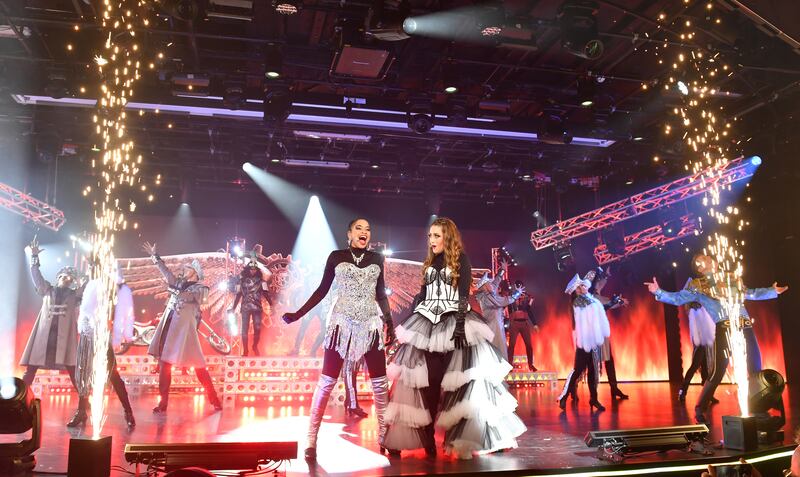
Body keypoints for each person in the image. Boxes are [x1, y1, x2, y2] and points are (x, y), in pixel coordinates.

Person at [383, 217, 525, 459]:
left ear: (447, 237)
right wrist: (414, 311)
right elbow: (424, 294)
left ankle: (472, 438)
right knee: (426, 385)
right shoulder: (429, 263)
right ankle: (426, 438)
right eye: (430, 236)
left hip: (456, 325)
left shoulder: (461, 260)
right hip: (428, 326)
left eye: (437, 235)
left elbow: (461, 296)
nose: (432, 240)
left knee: (460, 387)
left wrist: (459, 327)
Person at [282, 218, 395, 462]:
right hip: (341, 324)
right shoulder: (336, 256)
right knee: (326, 381)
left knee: (379, 383)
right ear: (349, 234)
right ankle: (311, 440)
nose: (364, 232)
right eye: (359, 228)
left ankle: (386, 436)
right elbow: (322, 290)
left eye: (368, 229)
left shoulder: (377, 258)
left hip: (370, 325)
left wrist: (390, 322)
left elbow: (381, 293)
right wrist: (298, 313)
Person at [644, 253, 788, 423]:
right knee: (719, 370)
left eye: (707, 257)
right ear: (699, 268)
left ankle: (758, 406)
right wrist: (658, 291)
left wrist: (772, 291)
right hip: (725, 327)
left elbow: (751, 293)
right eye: (701, 260)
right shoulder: (697, 286)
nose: (706, 260)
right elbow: (678, 299)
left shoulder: (731, 278)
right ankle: (700, 408)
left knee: (755, 368)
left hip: (745, 326)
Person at [143, 242, 222, 414]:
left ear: (194, 272)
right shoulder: (177, 283)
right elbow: (167, 274)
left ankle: (214, 398)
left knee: (199, 367)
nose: (184, 270)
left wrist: (176, 292)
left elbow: (196, 298)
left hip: (185, 335)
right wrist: (155, 258)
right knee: (165, 366)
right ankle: (163, 403)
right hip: (169, 328)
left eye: (187, 268)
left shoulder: (201, 288)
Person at [68, 265, 135, 429]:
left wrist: (124, 335)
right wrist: (83, 328)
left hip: (103, 337)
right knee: (84, 374)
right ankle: (81, 411)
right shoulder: (92, 285)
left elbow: (125, 313)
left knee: (113, 376)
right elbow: (84, 309)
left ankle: (128, 411)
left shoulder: (120, 289)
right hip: (87, 335)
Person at [19, 237, 84, 390]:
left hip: (64, 338)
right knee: (31, 369)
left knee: (72, 369)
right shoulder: (47, 290)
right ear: (58, 278)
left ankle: (84, 401)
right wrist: (34, 257)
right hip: (44, 336)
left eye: (69, 279)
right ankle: (20, 395)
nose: (66, 280)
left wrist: (95, 266)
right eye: (64, 277)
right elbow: (36, 276)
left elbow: (88, 286)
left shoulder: (74, 295)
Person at [557, 272, 610, 412]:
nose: (585, 287)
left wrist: (612, 302)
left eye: (584, 285)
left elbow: (599, 311)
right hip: (584, 343)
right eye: (581, 286)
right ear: (577, 290)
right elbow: (591, 312)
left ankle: (594, 399)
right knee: (577, 371)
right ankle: (564, 396)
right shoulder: (578, 302)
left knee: (593, 373)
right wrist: (588, 278)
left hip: (594, 343)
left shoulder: (590, 299)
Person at [587, 267, 629, 401]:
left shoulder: (598, 296)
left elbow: (609, 303)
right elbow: (608, 303)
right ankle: (590, 394)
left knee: (608, 361)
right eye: (600, 282)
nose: (602, 283)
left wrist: (620, 302)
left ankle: (614, 389)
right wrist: (620, 302)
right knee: (593, 364)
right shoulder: (594, 297)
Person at [678, 278, 718, 404]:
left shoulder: (708, 296)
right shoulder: (692, 300)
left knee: (707, 366)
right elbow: (686, 304)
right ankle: (683, 391)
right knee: (696, 364)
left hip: (708, 331)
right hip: (699, 334)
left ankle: (708, 395)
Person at [475, 270, 523, 359]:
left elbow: (495, 284)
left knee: (498, 347)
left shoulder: (487, 293)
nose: (491, 284)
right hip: (493, 327)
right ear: (484, 287)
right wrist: (516, 294)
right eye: (488, 283)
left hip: (496, 325)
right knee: (496, 347)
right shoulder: (487, 297)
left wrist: (502, 271)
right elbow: (502, 301)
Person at [229, 255, 272, 356]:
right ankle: (245, 350)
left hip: (257, 308)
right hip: (245, 307)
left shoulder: (262, 282)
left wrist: (271, 304)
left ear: (257, 270)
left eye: (254, 269)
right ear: (248, 269)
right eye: (251, 269)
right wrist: (233, 308)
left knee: (257, 328)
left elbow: (266, 294)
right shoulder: (241, 281)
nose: (253, 271)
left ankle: (254, 346)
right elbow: (238, 295)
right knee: (244, 329)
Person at [507, 281, 539, 372]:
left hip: (524, 323)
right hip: (514, 323)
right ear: (514, 287)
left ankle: (530, 365)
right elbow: (506, 306)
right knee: (511, 345)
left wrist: (535, 324)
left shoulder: (527, 297)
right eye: (517, 286)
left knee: (529, 345)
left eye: (520, 286)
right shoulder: (511, 296)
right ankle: (509, 365)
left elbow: (529, 310)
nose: (519, 287)